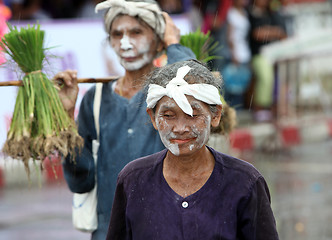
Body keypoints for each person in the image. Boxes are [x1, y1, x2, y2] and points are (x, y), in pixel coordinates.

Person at [53, 0, 196, 239]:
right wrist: (66, 118)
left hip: (167, 229)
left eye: (136, 32)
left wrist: (173, 43)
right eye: (117, 34)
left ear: (158, 41)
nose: (125, 43)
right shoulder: (95, 99)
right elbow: (81, 181)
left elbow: (194, 83)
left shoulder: (168, 93)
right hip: (109, 230)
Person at [106, 59, 279, 240]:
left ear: (216, 115)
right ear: (153, 117)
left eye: (193, 115)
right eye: (168, 115)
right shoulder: (133, 180)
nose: (181, 128)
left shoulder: (245, 182)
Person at [247, 0, 287, 121]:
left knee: (281, 78)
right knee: (266, 77)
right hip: (257, 54)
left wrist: (269, 32)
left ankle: (276, 107)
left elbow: (282, 34)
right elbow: (257, 34)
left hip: (274, 54)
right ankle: (261, 107)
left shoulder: (271, 14)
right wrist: (273, 32)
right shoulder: (251, 13)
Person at [222, 0, 252, 109]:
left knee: (241, 84)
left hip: (244, 52)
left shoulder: (244, 12)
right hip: (235, 53)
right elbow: (230, 36)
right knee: (231, 85)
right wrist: (234, 53)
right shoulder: (231, 13)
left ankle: (238, 109)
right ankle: (232, 110)